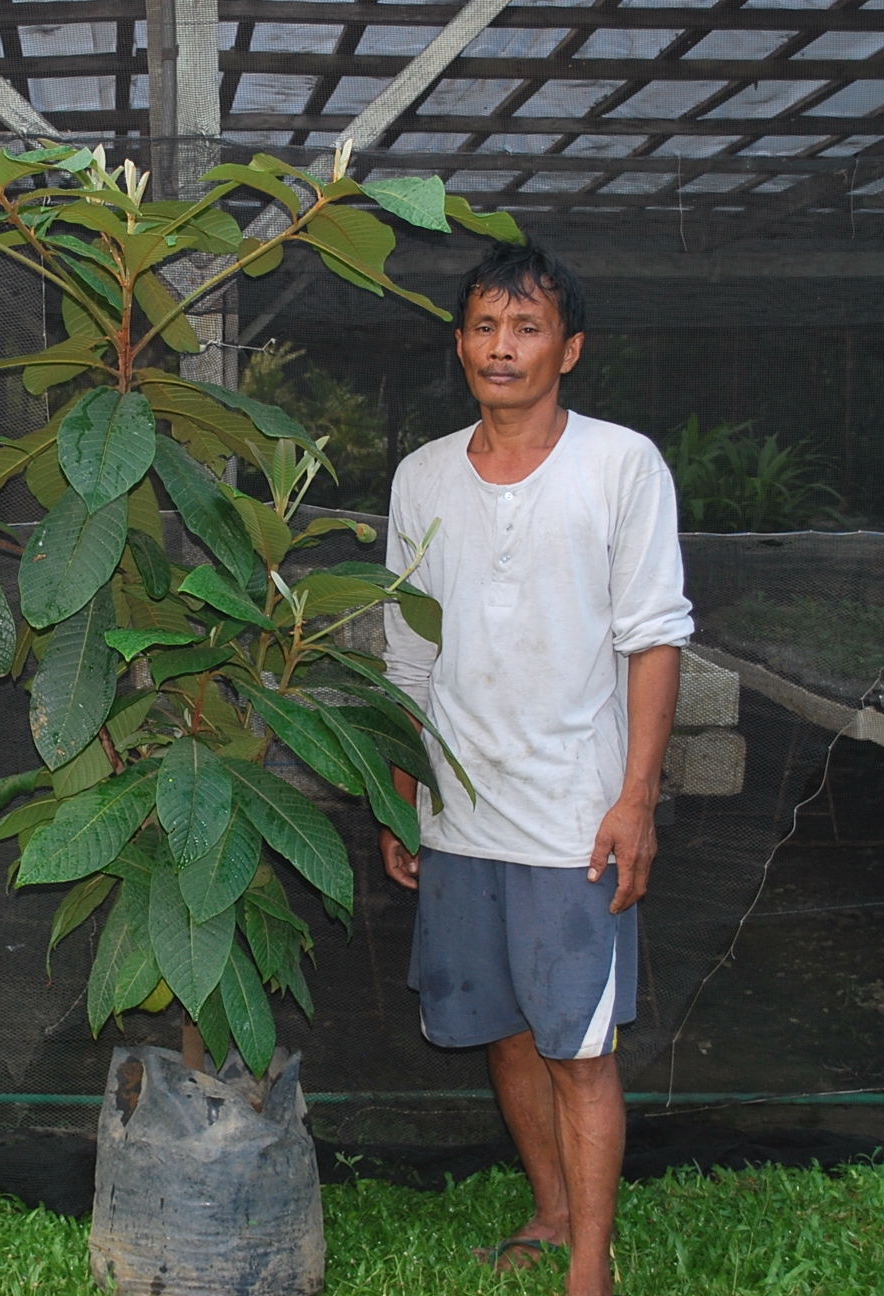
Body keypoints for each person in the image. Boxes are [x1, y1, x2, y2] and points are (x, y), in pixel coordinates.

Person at [379, 240, 692, 1296]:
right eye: (483, 326)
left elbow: (654, 640)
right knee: (505, 1035)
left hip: (574, 819)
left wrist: (635, 801)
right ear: (459, 342)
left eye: (525, 327)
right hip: (460, 816)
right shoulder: (421, 477)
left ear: (569, 349)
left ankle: (589, 1270)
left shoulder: (620, 466)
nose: (500, 347)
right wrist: (401, 794)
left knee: (578, 1049)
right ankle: (552, 1216)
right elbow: (407, 656)